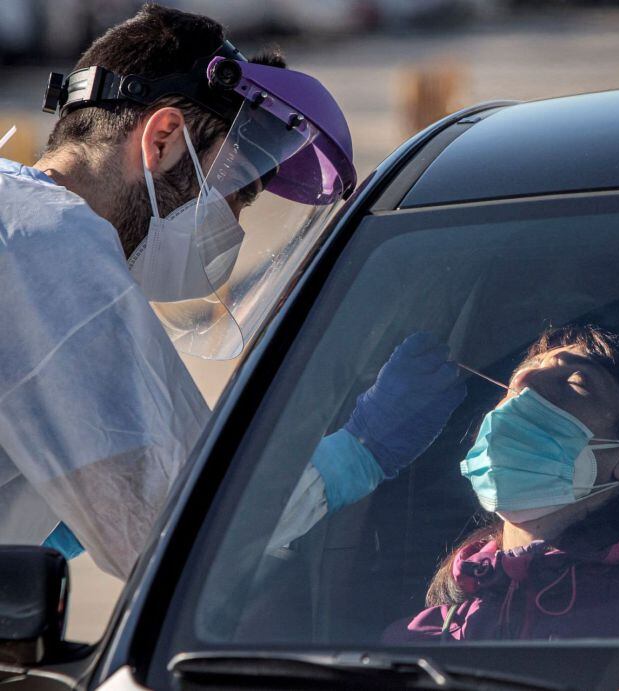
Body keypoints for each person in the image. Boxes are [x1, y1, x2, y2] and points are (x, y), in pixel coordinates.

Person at [0, 5, 463, 578]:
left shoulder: (21, 223)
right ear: (163, 139)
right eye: (236, 192)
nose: (234, 227)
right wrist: (358, 452)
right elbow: (185, 535)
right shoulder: (54, 248)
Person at [385, 324, 619, 641]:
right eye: (514, 383)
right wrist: (364, 453)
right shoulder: (423, 635)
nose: (522, 383)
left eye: (575, 382)